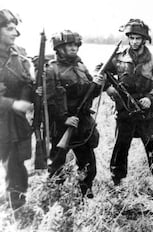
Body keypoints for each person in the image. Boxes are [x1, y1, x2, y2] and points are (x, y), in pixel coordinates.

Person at [104, 19, 153, 195]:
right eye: (131, 38)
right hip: (125, 111)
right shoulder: (118, 57)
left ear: (144, 40)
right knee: (120, 147)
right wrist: (108, 88)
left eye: (137, 38)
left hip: (147, 112)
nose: (134, 42)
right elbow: (100, 71)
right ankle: (117, 184)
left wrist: (150, 98)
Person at [45, 30, 101, 198]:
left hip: (82, 123)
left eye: (76, 45)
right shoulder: (51, 70)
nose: (74, 48)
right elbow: (48, 100)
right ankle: (54, 202)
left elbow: (90, 93)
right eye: (69, 45)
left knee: (89, 165)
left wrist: (97, 85)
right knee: (57, 166)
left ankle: (85, 196)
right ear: (59, 48)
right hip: (62, 125)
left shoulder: (81, 67)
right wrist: (64, 119)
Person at [0, 9, 34, 209]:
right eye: (9, 29)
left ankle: (17, 212)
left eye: (15, 28)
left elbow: (26, 82)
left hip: (15, 122)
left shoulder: (19, 54)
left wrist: (30, 92)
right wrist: (13, 104)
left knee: (16, 168)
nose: (15, 33)